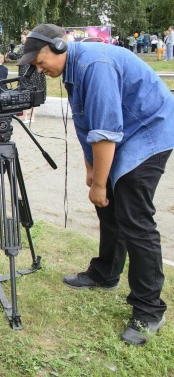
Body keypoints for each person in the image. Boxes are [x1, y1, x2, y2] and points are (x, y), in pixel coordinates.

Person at [18, 23, 174, 346]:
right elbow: (88, 126)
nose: (38, 67)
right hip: (125, 133)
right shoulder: (74, 69)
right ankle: (106, 273)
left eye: (38, 59)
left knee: (135, 217)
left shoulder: (94, 66)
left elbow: (105, 132)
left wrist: (100, 184)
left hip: (148, 133)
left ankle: (149, 310)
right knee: (107, 206)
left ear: (59, 47)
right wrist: (93, 172)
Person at [17, 29, 46, 123]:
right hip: (37, 74)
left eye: (22, 37)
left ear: (27, 37)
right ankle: (32, 117)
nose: (22, 39)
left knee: (25, 94)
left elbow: (17, 55)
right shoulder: (36, 47)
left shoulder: (25, 47)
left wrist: (9, 55)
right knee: (35, 94)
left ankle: (25, 117)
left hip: (26, 73)